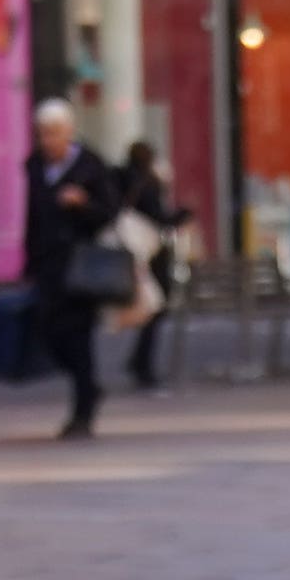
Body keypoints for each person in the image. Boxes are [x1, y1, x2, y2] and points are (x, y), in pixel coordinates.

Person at [18, 96, 119, 439]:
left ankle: (83, 410)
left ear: (69, 133)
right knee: (49, 332)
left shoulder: (90, 166)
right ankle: (88, 387)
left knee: (79, 338)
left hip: (82, 268)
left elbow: (109, 211)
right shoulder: (34, 166)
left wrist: (83, 204)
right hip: (48, 264)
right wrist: (28, 258)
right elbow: (31, 216)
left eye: (55, 133)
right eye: (43, 134)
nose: (48, 141)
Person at [112, 134, 179, 391]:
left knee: (149, 306)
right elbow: (160, 217)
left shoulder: (121, 179)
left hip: (134, 250)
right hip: (149, 251)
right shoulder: (147, 183)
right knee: (154, 307)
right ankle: (142, 363)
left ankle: (139, 361)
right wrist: (182, 215)